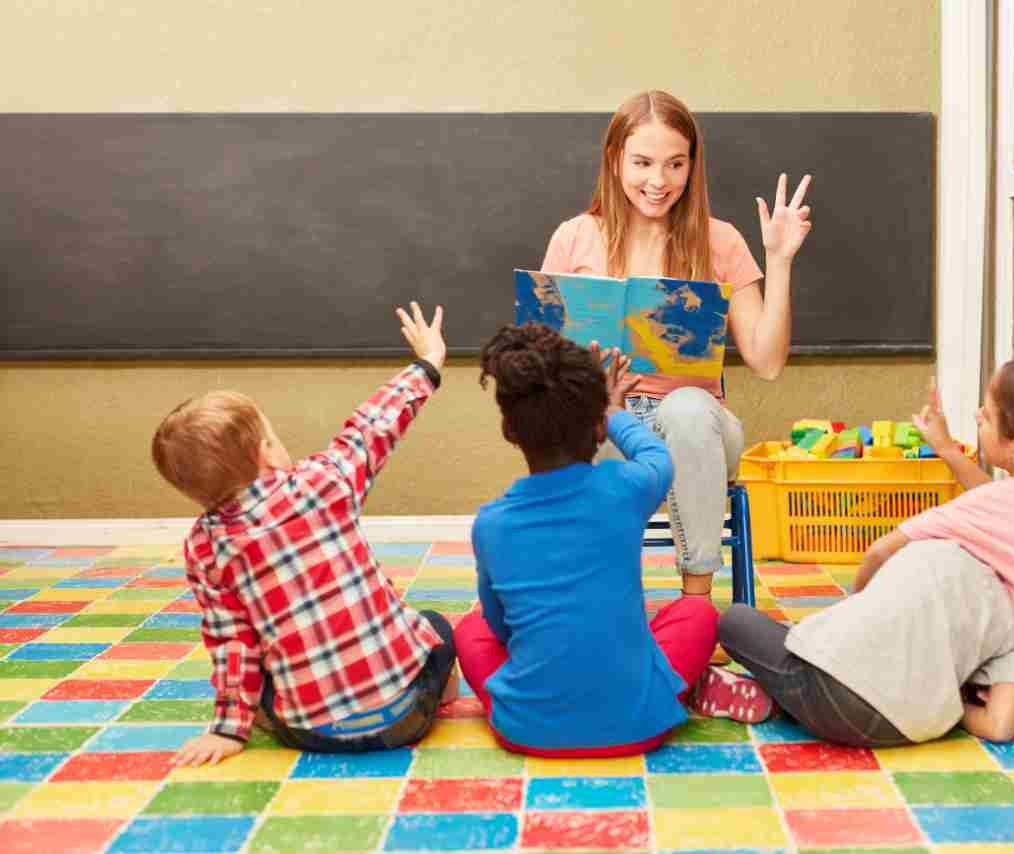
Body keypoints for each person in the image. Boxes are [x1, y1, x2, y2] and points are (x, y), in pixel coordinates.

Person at [711, 356, 1014, 744]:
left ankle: (782, 697)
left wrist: (861, 613)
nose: (978, 414)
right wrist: (944, 448)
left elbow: (880, 552)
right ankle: (785, 699)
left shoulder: (1000, 510)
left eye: (988, 414)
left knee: (740, 625)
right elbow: (1008, 507)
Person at [151, 301, 457, 765]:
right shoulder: (323, 482)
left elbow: (231, 641)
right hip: (405, 716)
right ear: (267, 452)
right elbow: (376, 424)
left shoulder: (205, 546)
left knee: (264, 669)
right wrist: (428, 363)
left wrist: (230, 729)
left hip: (312, 733)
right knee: (435, 626)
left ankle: (273, 712)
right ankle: (438, 690)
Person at [541, 89, 813, 598]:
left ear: (692, 166)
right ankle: (588, 604)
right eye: (642, 162)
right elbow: (543, 361)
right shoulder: (574, 237)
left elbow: (768, 361)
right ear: (614, 160)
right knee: (565, 429)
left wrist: (779, 262)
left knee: (687, 408)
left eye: (675, 164)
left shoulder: (721, 240)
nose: (658, 181)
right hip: (606, 425)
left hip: (698, 429)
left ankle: (696, 605)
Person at [453, 322, 721, 756]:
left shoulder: (491, 523)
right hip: (639, 723)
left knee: (470, 629)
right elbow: (657, 456)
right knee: (698, 612)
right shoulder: (626, 488)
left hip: (527, 729)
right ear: (599, 429)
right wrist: (616, 413)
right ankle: (679, 688)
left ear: (510, 431)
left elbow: (501, 628)